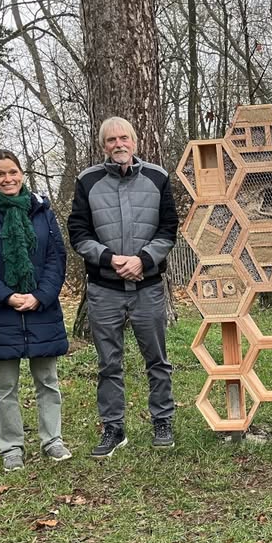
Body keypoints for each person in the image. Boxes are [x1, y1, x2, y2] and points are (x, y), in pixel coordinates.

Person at [68, 116, 178, 457]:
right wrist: (110, 259)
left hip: (148, 287)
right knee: (108, 363)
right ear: (104, 146)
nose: (119, 144)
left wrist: (142, 260)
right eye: (111, 140)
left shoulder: (158, 177)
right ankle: (113, 428)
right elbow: (78, 231)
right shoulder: (87, 181)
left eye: (124, 138)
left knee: (157, 359)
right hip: (104, 289)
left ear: (134, 141)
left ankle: (162, 420)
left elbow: (169, 228)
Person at [0, 150, 71, 472]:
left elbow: (56, 256)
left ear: (22, 174)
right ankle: (10, 447)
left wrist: (41, 295)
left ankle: (52, 440)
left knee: (47, 380)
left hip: (42, 308)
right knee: (4, 385)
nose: (7, 179)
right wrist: (7, 296)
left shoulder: (42, 211)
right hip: (1, 311)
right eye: (0, 174)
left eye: (13, 172)